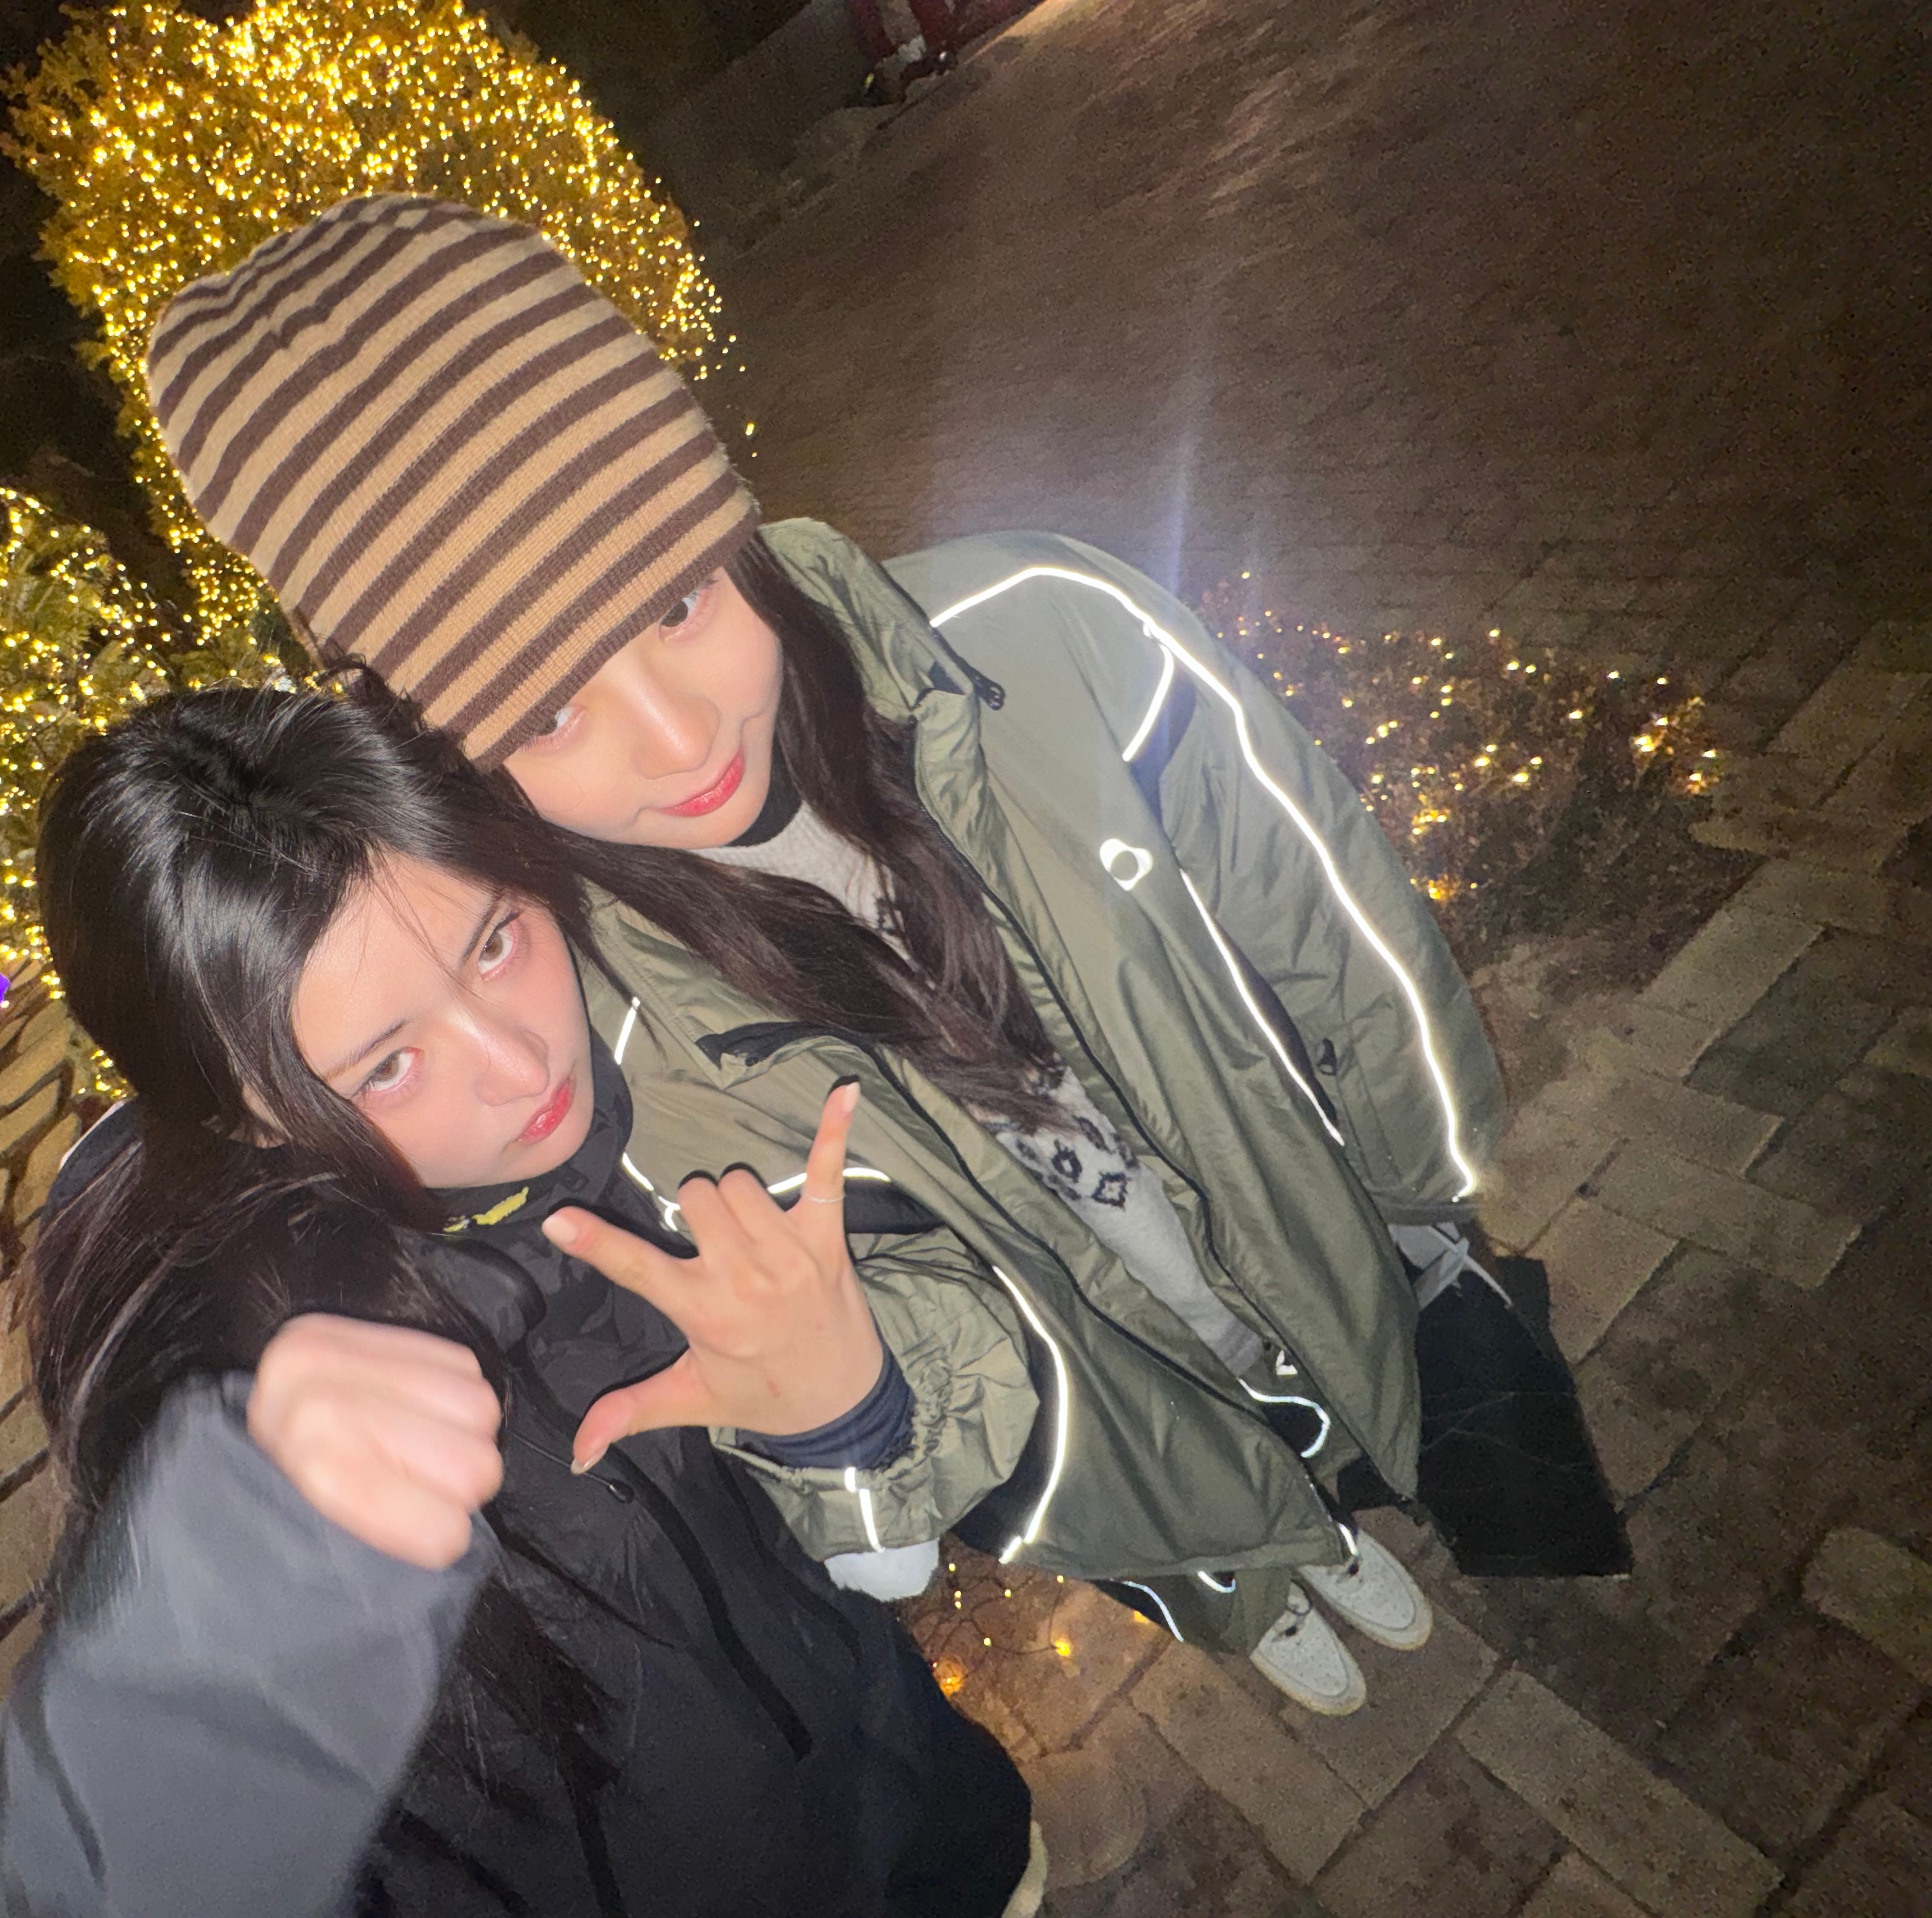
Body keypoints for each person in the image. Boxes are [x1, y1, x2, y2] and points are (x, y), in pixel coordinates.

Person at [142, 193, 1557, 1715]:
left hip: (1328, 1254)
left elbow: (1336, 927)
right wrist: (861, 1414)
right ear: (453, 751)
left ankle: (1341, 1482)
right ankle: (1268, 1570)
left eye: (679, 601)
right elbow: (906, 1329)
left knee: (1393, 1411)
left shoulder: (1048, 639)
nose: (679, 738)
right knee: (1223, 1529)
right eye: (549, 713)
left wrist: (1422, 1206)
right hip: (1144, 1459)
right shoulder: (622, 1040)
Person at [0, 686, 1048, 1916]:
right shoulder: (266, 1423)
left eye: (495, 942)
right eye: (391, 1065)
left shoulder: (670, 1067)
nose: (523, 1066)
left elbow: (887, 1526)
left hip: (940, 1823)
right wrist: (217, 1623)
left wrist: (849, 1416)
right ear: (251, 1118)